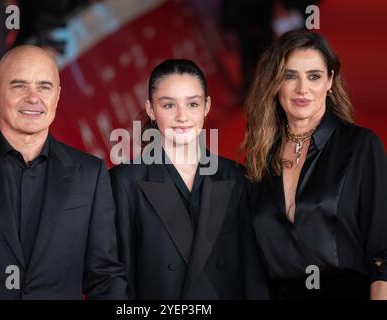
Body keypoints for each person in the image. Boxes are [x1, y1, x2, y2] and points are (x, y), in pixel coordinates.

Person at [0, 45, 127, 299]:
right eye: (19, 86)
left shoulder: (90, 175)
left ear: (57, 95)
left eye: (44, 86)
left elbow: (104, 277)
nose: (33, 97)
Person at [242, 29, 387, 299]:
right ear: (275, 84)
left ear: (330, 80)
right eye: (290, 76)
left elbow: (383, 251)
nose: (302, 89)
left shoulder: (359, 146)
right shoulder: (260, 156)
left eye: (314, 76)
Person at [109, 59, 268, 299]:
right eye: (169, 106)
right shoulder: (124, 182)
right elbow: (116, 278)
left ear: (206, 106)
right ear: (151, 109)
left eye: (192, 104)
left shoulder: (235, 178)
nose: (182, 117)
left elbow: (253, 274)